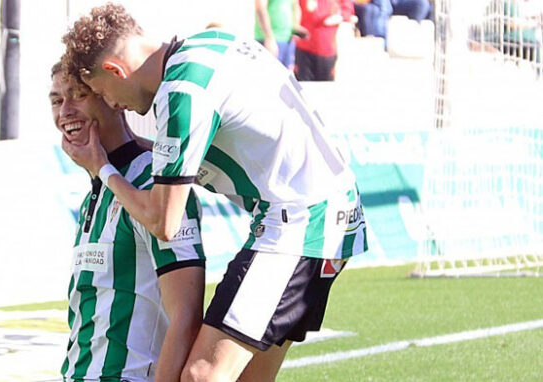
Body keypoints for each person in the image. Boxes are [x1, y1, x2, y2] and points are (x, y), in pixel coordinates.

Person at [60, 3, 367, 381]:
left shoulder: (182, 91)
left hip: (301, 224)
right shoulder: (209, 43)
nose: (112, 104)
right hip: (331, 215)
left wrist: (102, 168)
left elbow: (163, 221)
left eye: (103, 92)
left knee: (202, 375)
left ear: (115, 70)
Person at [50, 60, 206, 382]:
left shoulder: (156, 188)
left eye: (78, 95)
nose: (64, 111)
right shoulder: (94, 193)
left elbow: (186, 315)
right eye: (56, 100)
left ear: (110, 97)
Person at [295, 0, 355, 81]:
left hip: (326, 49)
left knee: (324, 87)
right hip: (304, 46)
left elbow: (348, 9)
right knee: (302, 86)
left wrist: (340, 16)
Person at [255, 0, 303, 70]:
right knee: (270, 75)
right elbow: (260, 8)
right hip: (270, 40)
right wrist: (269, 37)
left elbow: (295, 6)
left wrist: (296, 26)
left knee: (286, 76)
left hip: (288, 40)